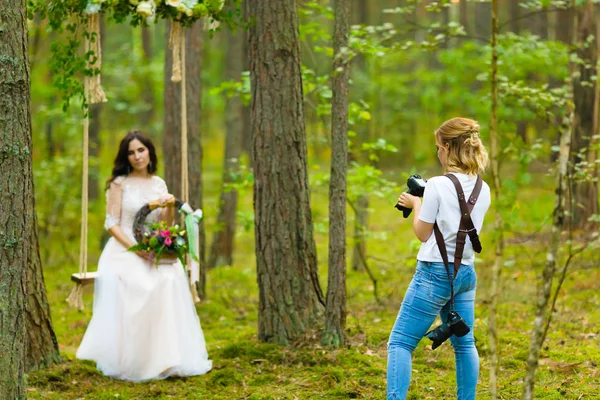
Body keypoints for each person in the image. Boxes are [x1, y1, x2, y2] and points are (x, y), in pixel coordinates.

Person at [77, 130, 212, 382]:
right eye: (131, 152)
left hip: (152, 244)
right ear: (125, 157)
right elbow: (111, 224)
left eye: (141, 150)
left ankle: (168, 357)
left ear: (149, 151)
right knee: (142, 284)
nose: (137, 156)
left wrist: (170, 207)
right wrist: (136, 249)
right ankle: (137, 360)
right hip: (124, 246)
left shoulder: (158, 183)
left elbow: (165, 223)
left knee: (170, 276)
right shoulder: (119, 184)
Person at [387, 118, 491, 399]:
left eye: (438, 147)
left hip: (434, 273)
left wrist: (416, 202)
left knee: (400, 343)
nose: (437, 153)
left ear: (448, 147)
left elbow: (423, 233)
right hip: (466, 274)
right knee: (465, 344)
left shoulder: (436, 186)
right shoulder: (483, 188)